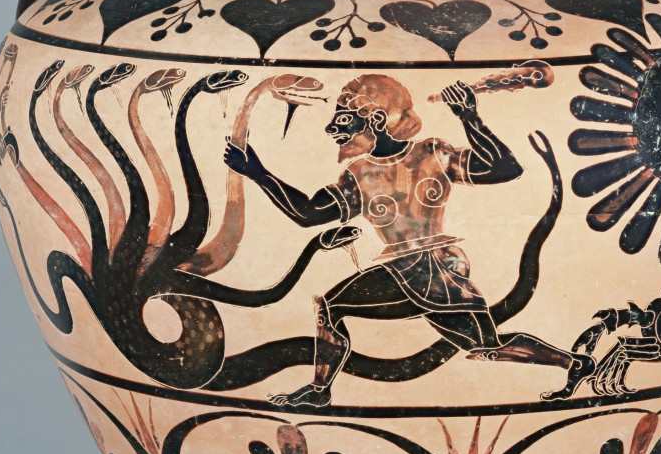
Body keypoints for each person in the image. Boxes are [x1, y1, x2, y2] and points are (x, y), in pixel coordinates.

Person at [224, 73, 595, 407]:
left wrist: (469, 116)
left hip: (432, 268)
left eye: (344, 119)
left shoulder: (431, 154)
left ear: (376, 120)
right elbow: (308, 213)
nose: (333, 128)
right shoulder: (360, 173)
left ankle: (320, 391)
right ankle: (573, 362)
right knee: (485, 346)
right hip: (411, 268)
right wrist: (257, 172)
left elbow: (504, 168)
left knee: (334, 308)